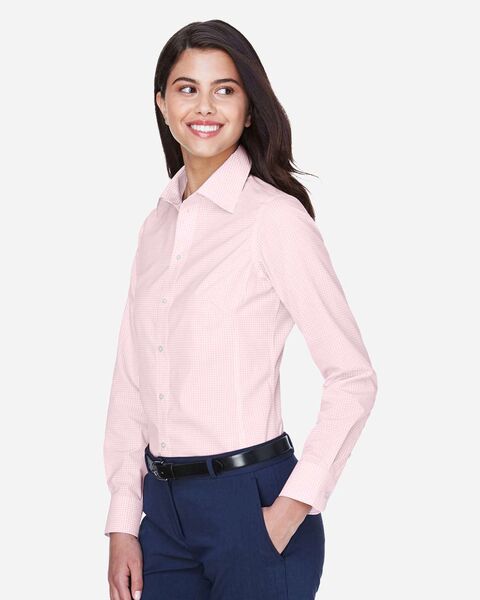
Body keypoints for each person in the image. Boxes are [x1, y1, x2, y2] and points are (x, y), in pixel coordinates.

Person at [103, 19, 378, 600]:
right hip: (162, 516)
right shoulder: (155, 226)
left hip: (253, 506)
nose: (205, 106)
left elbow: (353, 377)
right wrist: (124, 522)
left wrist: (292, 506)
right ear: (162, 103)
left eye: (225, 89)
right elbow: (131, 382)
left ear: (249, 108)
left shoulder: (274, 220)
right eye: (187, 88)